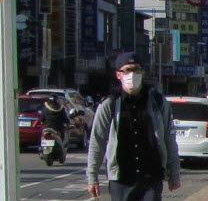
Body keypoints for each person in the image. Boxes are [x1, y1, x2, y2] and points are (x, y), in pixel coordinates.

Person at [86, 52, 181, 200]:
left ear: (142, 72)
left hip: (151, 177)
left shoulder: (158, 102)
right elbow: (97, 142)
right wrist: (92, 178)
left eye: (136, 70)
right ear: (118, 74)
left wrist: (174, 174)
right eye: (127, 70)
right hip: (121, 179)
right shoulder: (109, 104)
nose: (132, 74)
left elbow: (169, 138)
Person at [39, 95, 71, 163]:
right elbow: (65, 119)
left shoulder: (45, 109)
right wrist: (67, 123)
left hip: (47, 129)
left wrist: (43, 123)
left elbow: (41, 119)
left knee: (42, 138)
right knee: (62, 141)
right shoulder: (61, 109)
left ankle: (41, 149)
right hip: (58, 130)